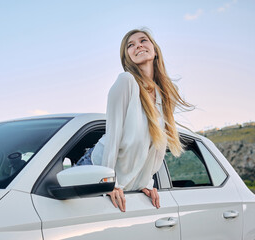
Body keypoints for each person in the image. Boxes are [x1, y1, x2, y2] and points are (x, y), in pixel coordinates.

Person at [77, 29, 192, 212]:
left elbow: (157, 146)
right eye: (130, 45)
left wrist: (146, 182)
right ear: (127, 58)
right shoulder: (126, 81)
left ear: (155, 51)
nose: (137, 45)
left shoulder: (164, 94)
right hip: (97, 169)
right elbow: (113, 135)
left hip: (124, 182)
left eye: (143, 40)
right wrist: (108, 181)